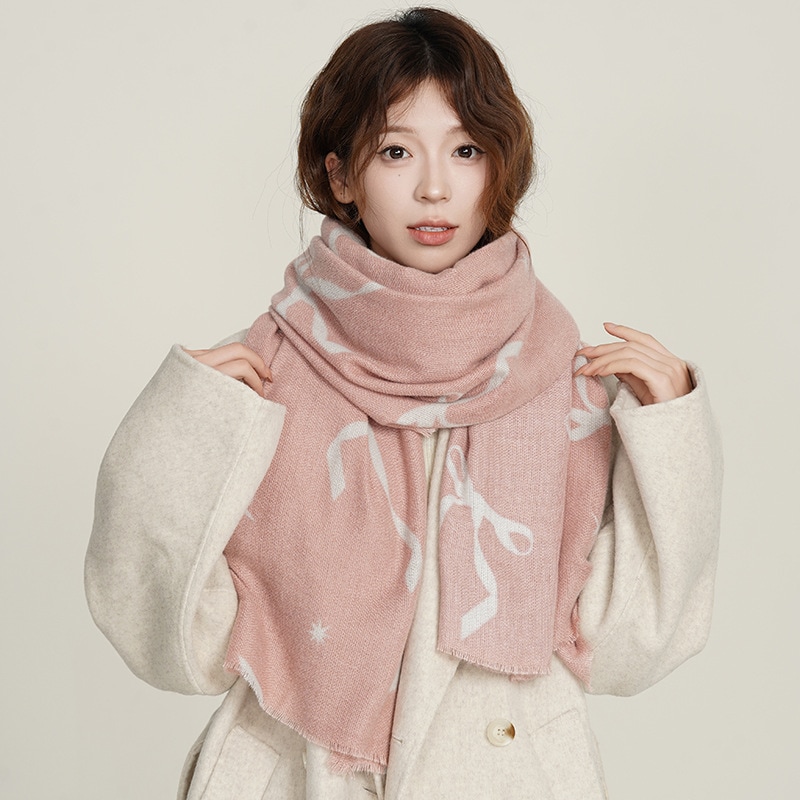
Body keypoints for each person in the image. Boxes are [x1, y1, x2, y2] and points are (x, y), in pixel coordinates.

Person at [85, 7, 722, 799]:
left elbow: (631, 646)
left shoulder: (569, 384)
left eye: (466, 149)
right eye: (395, 151)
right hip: (301, 776)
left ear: (500, 169)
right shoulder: (262, 373)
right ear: (341, 176)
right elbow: (173, 648)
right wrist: (180, 430)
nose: (434, 186)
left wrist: (671, 436)